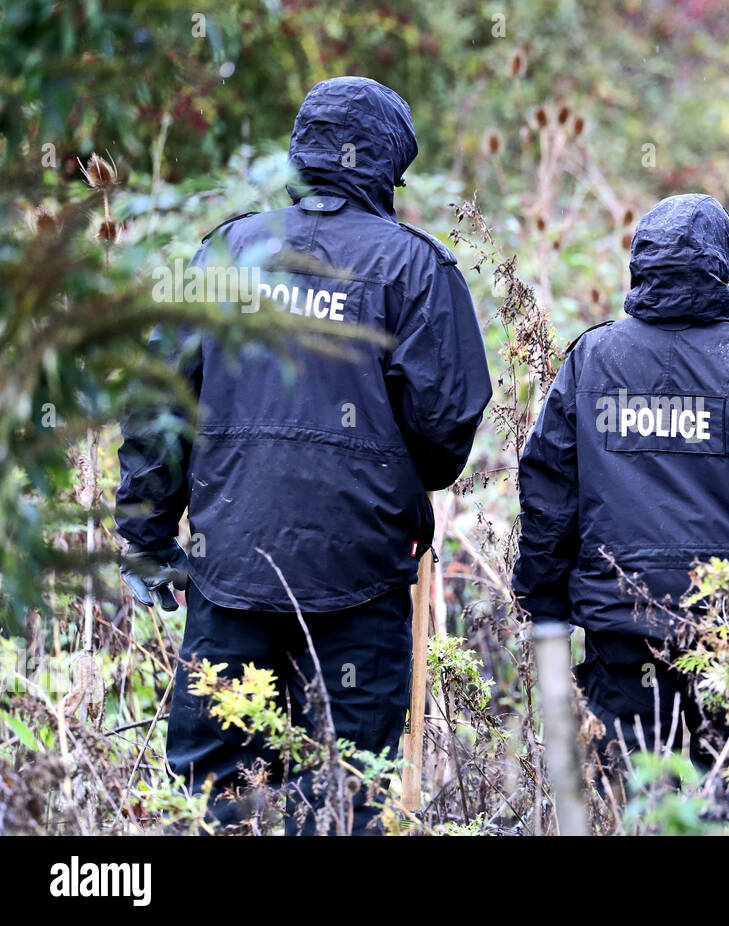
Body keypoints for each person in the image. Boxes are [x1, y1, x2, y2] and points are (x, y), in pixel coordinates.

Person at [115, 77, 492, 833]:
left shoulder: (227, 250)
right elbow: (446, 429)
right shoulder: (418, 269)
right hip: (364, 579)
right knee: (351, 795)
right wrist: (382, 475)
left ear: (301, 153)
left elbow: (160, 407)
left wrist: (147, 537)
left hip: (231, 571)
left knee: (212, 801)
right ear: (388, 166)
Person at [512, 194, 729, 770]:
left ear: (640, 263)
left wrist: (543, 599)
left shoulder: (592, 359)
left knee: (637, 804)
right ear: (725, 267)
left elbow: (548, 493)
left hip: (621, 630)